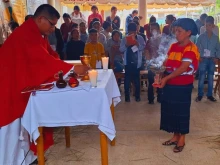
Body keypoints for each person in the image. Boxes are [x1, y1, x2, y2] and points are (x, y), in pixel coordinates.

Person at [0, 4, 87, 165]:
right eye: (52, 24)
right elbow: (41, 61)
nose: (54, 28)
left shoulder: (39, 34)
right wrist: (71, 69)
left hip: (20, 83)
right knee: (11, 131)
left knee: (24, 128)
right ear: (41, 19)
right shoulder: (26, 34)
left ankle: (27, 157)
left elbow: (51, 56)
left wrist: (67, 69)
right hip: (9, 86)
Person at [159, 18, 199, 153]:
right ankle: (175, 136)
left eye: (179, 31)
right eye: (175, 31)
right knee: (172, 111)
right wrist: (161, 71)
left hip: (182, 86)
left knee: (182, 112)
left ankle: (182, 139)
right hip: (171, 84)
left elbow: (182, 68)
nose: (176, 34)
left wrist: (166, 78)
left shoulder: (191, 48)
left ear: (188, 32)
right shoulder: (174, 46)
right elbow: (168, 61)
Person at [196, 16, 220, 102]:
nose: (208, 27)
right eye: (206, 25)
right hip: (203, 59)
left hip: (212, 60)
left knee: (210, 77)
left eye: (210, 25)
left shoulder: (216, 38)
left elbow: (218, 48)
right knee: (201, 77)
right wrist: (198, 57)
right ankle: (200, 95)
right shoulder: (201, 37)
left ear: (213, 26)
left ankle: (210, 95)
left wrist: (217, 57)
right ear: (204, 26)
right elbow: (196, 48)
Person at [120, 22, 146, 102]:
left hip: (137, 63)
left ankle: (137, 97)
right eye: (130, 32)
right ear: (128, 31)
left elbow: (143, 48)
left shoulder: (140, 38)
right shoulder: (124, 39)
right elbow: (121, 50)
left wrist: (138, 44)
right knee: (127, 80)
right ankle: (127, 97)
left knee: (136, 80)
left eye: (134, 32)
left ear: (136, 31)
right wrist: (126, 45)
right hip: (127, 63)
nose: (132, 34)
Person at [146, 23, 162, 104]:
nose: (152, 31)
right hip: (152, 63)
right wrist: (149, 61)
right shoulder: (149, 40)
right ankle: (150, 98)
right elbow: (147, 51)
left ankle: (160, 97)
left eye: (154, 29)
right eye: (151, 29)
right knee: (151, 81)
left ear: (159, 30)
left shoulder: (162, 39)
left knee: (161, 80)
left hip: (160, 63)